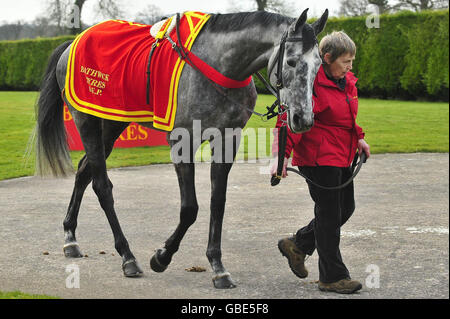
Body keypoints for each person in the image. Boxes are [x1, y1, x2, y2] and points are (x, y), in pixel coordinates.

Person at [270, 31, 371, 294]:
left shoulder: (345, 81)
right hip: (318, 158)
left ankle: (299, 244)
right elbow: (291, 122)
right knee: (328, 217)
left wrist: (359, 138)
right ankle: (332, 277)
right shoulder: (310, 84)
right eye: (345, 61)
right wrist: (281, 158)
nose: (350, 66)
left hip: (341, 155)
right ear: (327, 58)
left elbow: (345, 116)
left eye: (352, 61)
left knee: (344, 209)